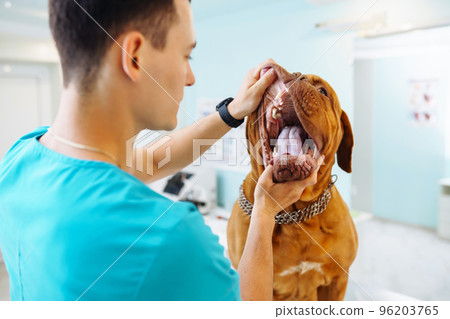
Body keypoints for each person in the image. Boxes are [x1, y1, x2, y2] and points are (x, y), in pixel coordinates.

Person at [0, 0, 321, 301]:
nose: (192, 79)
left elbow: (151, 161)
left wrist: (232, 112)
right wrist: (265, 213)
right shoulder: (167, 238)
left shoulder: (21, 157)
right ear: (135, 57)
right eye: (186, 56)